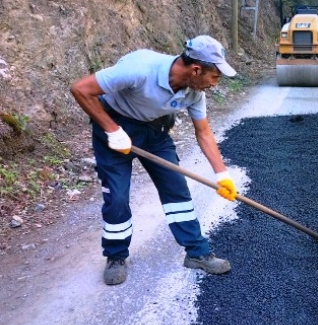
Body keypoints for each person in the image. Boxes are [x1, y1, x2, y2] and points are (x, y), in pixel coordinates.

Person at [70, 35, 238, 285]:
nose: (214, 84)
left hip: (155, 132)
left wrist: (222, 174)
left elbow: (203, 132)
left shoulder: (194, 93)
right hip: (116, 124)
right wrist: (112, 130)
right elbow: (81, 89)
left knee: (176, 190)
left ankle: (197, 253)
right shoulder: (140, 68)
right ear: (196, 69)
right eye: (214, 77)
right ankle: (116, 256)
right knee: (116, 196)